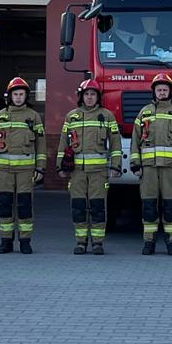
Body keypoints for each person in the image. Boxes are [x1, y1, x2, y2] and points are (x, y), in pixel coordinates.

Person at [59, 79, 123, 255]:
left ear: (98, 97)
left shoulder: (107, 116)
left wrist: (116, 166)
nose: (89, 98)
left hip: (99, 173)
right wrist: (61, 167)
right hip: (76, 172)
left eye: (92, 94)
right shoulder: (71, 116)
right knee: (78, 207)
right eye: (86, 94)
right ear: (81, 96)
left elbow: (116, 144)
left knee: (98, 207)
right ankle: (80, 243)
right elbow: (63, 143)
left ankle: (97, 243)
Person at [131, 73, 172, 255]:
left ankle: (171, 243)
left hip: (170, 169)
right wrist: (135, 164)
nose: (162, 92)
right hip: (148, 168)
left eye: (165, 89)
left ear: (170, 92)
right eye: (159, 89)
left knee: (170, 206)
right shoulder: (144, 112)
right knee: (148, 205)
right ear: (154, 92)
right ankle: (148, 243)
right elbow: (135, 139)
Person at [0, 77, 46, 254]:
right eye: (15, 94)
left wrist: (40, 168)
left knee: (25, 206)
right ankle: (6, 242)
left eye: (21, 94)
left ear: (26, 96)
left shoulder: (34, 117)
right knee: (4, 205)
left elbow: (41, 145)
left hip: (26, 172)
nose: (18, 97)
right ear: (10, 96)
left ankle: (25, 241)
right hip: (4, 171)